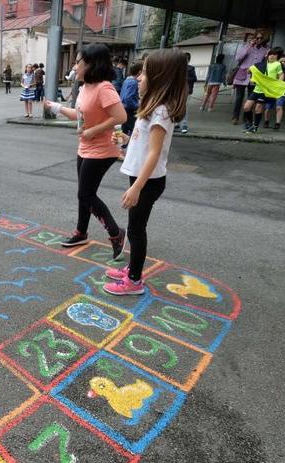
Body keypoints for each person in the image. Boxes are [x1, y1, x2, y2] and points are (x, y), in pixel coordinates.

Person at [102, 49, 187, 296]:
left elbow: (155, 153)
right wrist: (128, 138)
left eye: (145, 73)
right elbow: (145, 143)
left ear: (160, 76)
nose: (139, 77)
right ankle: (132, 269)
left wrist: (136, 187)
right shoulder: (153, 106)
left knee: (137, 230)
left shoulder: (161, 110)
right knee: (135, 227)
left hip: (147, 180)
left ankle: (134, 281)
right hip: (143, 177)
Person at [43, 43, 127, 257]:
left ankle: (116, 233)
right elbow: (79, 115)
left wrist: (93, 131)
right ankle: (81, 232)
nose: (74, 66)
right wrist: (54, 106)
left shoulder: (104, 88)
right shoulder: (85, 87)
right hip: (85, 147)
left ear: (91, 64)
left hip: (103, 149)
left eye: (78, 61)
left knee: (86, 194)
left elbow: (121, 117)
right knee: (84, 194)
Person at [242, 48, 285, 134]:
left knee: (258, 108)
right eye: (270, 54)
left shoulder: (277, 64)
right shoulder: (260, 64)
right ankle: (250, 124)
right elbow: (249, 70)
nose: (272, 56)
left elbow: (281, 74)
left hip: (265, 91)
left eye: (274, 54)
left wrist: (278, 84)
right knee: (246, 107)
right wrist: (252, 75)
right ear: (267, 55)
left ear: (277, 56)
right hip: (256, 89)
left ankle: (255, 127)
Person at [230, 31, 269, 125]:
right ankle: (235, 117)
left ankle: (246, 118)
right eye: (257, 38)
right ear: (254, 38)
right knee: (239, 97)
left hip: (255, 76)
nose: (259, 40)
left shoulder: (265, 50)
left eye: (261, 38)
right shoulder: (247, 47)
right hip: (242, 75)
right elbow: (238, 58)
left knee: (251, 99)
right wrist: (249, 46)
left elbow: (265, 63)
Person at [264, 53, 285, 130]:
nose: (283, 63)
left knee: (279, 106)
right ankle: (266, 121)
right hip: (271, 90)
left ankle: (277, 123)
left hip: (282, 90)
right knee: (267, 108)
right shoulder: (271, 68)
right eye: (281, 61)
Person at [120, 62, 143, 135]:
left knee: (125, 129)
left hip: (124, 108)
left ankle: (123, 145)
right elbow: (128, 98)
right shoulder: (134, 82)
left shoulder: (127, 80)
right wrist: (137, 105)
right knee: (135, 129)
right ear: (139, 72)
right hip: (130, 110)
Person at [178, 52, 197, 133]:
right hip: (179, 91)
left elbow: (194, 79)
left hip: (186, 91)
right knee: (178, 107)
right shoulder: (178, 68)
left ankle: (184, 125)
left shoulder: (190, 69)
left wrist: (184, 78)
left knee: (184, 108)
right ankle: (178, 124)